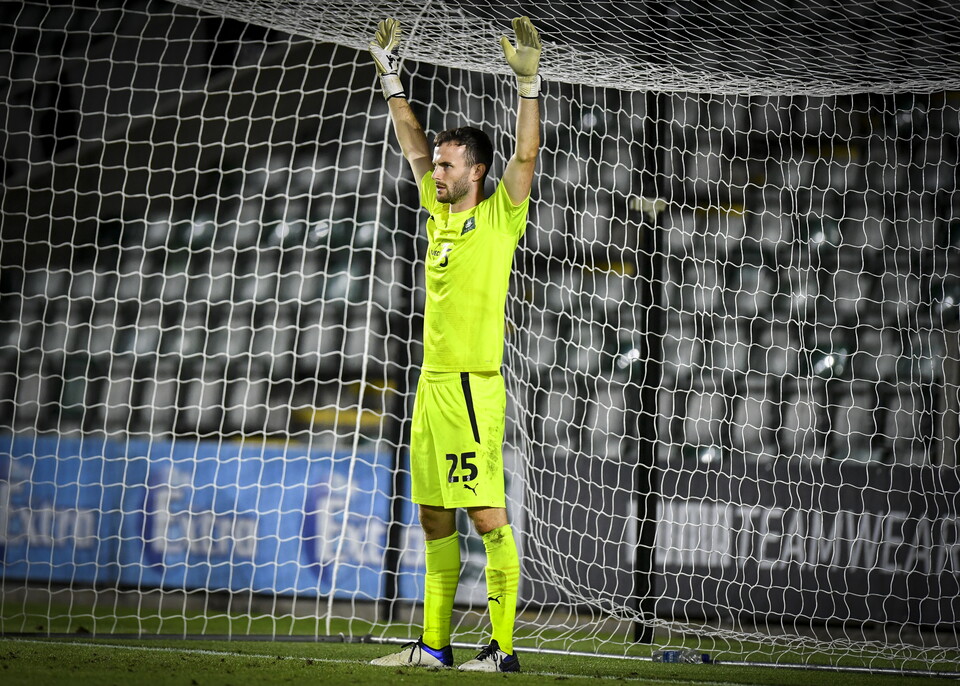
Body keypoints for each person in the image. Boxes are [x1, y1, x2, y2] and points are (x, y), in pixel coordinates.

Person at [366, 15, 541, 674]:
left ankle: (501, 649)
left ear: (477, 171)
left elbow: (526, 156)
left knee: (487, 517)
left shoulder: (499, 216)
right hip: (432, 388)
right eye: (436, 164)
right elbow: (411, 144)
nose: (434, 171)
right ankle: (435, 646)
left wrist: (528, 85)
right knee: (435, 518)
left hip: (472, 388)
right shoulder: (437, 212)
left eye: (447, 164)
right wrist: (391, 78)